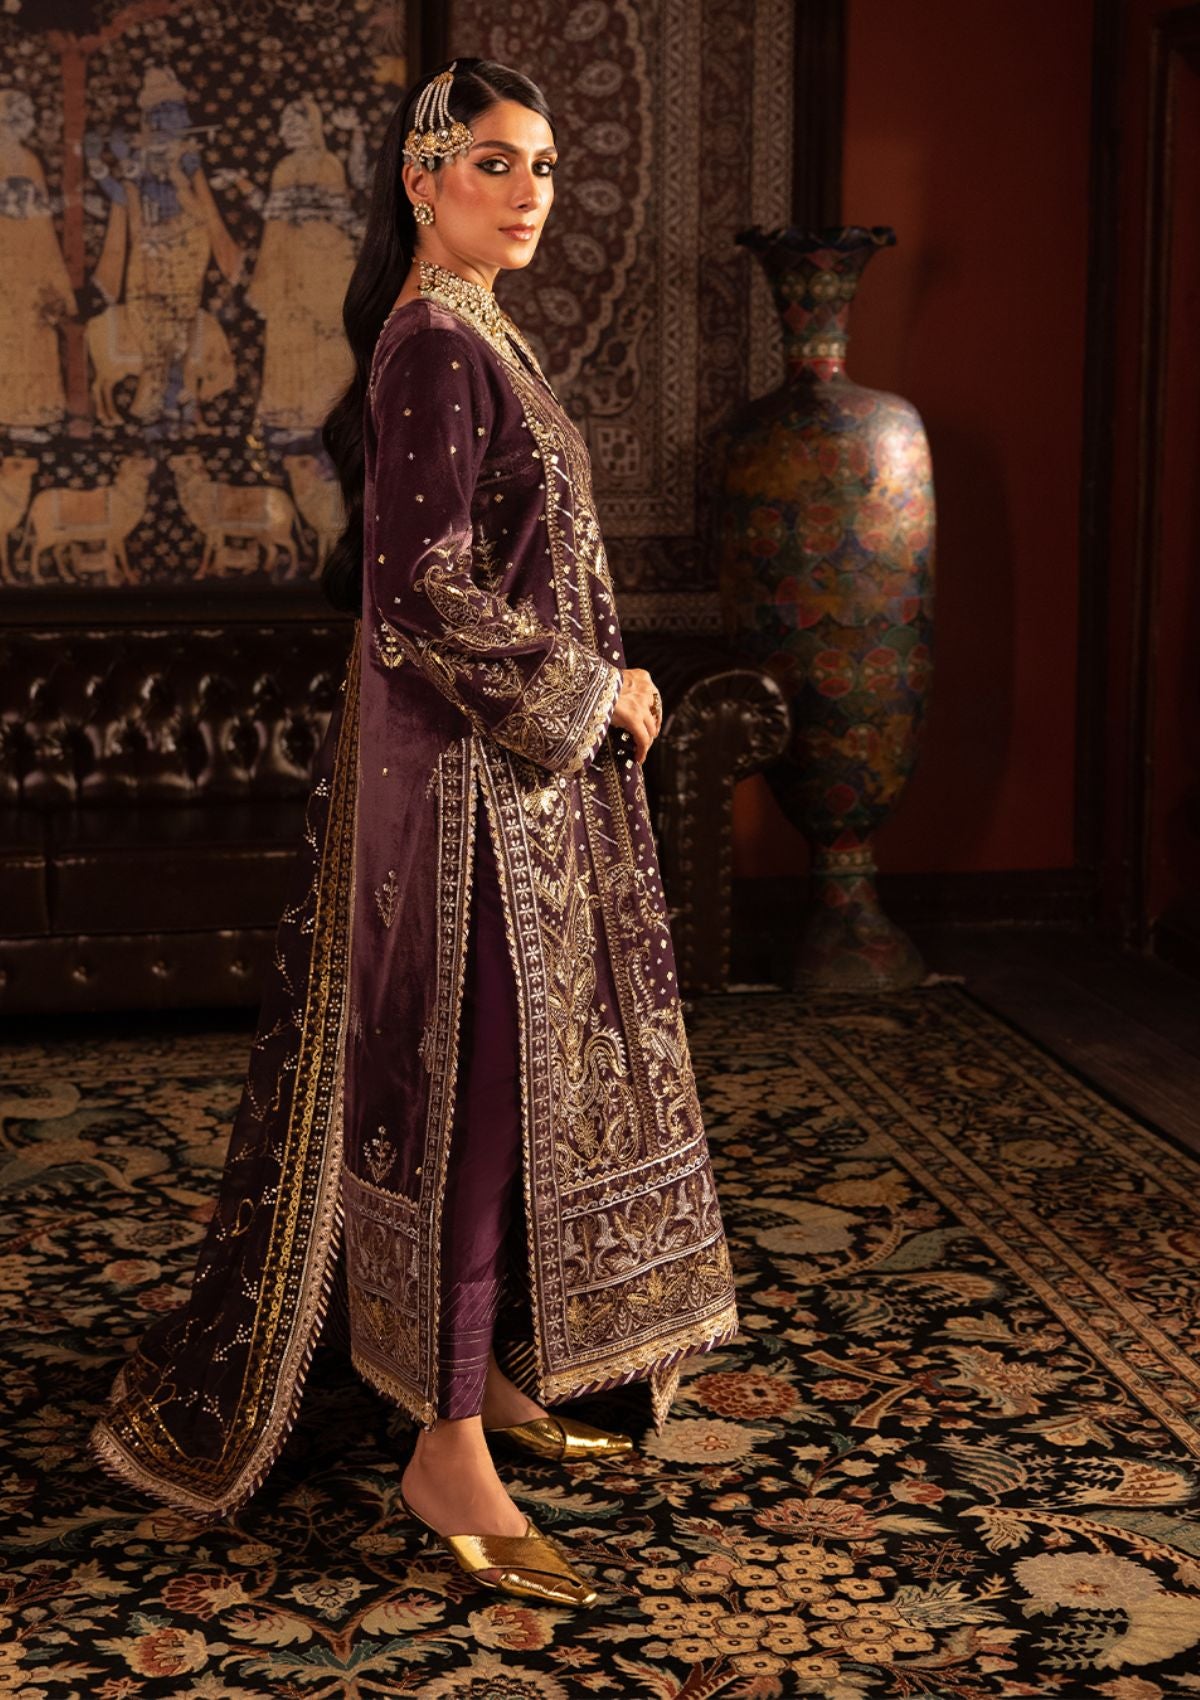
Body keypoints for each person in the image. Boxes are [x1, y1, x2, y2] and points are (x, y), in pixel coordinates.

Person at [91, 58, 739, 1609]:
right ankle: (444, 1445)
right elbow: (425, 597)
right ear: (422, 175)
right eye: (497, 162)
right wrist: (598, 690)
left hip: (517, 791)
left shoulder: (483, 334)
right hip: (465, 809)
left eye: (548, 167)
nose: (530, 193)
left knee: (510, 1097)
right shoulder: (433, 347)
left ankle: (485, 1379)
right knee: (467, 1106)